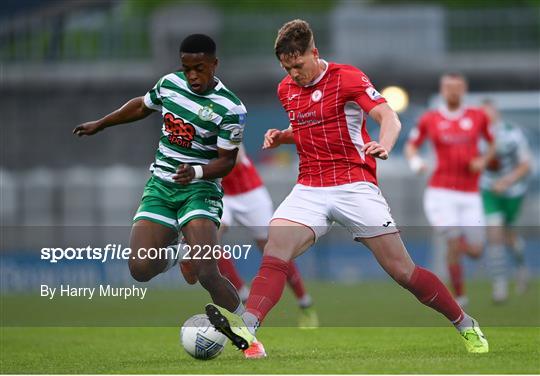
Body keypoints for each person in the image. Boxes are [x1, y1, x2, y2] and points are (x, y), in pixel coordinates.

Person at [204, 19, 489, 358]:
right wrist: (284, 136)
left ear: (314, 52)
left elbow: (388, 116)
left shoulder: (347, 77)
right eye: (287, 68)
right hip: (309, 186)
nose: (294, 74)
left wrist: (383, 144)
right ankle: (247, 329)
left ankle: (464, 323)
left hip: (355, 185)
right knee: (275, 248)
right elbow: (311, 126)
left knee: (403, 271)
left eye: (298, 65)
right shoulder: (286, 90)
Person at [73, 34, 247, 318]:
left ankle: (249, 331)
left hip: (199, 190)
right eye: (186, 68)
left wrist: (196, 172)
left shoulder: (231, 108)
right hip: (161, 186)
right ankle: (180, 253)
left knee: (206, 272)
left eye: (199, 68)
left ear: (214, 64)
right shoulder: (169, 84)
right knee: (140, 268)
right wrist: (102, 124)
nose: (192, 75)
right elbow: (142, 105)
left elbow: (227, 161)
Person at [404, 73, 496, 308]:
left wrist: (483, 161)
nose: (453, 92)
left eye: (457, 88)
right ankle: (461, 296)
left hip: (469, 193)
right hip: (441, 192)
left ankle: (459, 244)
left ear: (463, 90)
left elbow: (492, 144)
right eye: (448, 88)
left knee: (475, 251)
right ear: (443, 91)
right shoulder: (430, 119)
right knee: (453, 244)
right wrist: (416, 164)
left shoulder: (478, 117)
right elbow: (411, 146)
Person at [217, 144, 319, 328]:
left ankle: (305, 303)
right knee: (209, 242)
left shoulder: (223, 118)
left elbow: (237, 157)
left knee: (274, 248)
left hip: (249, 192)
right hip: (220, 193)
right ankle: (244, 295)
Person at [480, 99, 532, 303]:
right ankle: (499, 286)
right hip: (488, 191)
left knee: (509, 236)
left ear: (496, 114)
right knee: (494, 234)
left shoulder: (512, 134)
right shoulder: (475, 137)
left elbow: (525, 164)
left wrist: (506, 181)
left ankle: (520, 265)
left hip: (513, 191)